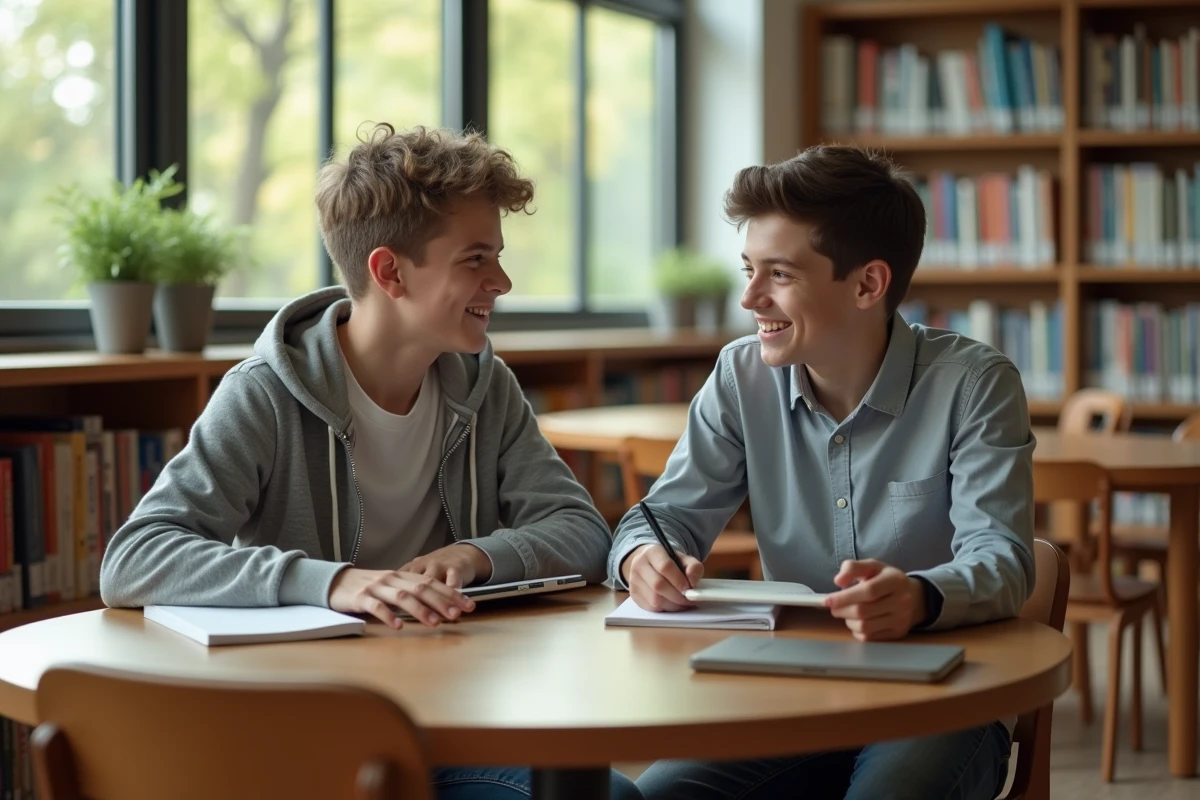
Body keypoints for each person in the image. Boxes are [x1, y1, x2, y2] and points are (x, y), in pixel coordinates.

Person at [101, 123, 642, 800]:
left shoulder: (484, 385)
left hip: (457, 714)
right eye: (475, 259)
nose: (501, 281)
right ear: (389, 272)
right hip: (310, 734)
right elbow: (136, 558)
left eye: (497, 256)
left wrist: (475, 555)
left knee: (609, 794)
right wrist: (335, 583)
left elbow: (583, 532)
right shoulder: (265, 393)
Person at [609, 145, 1035, 800]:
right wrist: (641, 554)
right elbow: (664, 519)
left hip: (946, 695)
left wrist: (920, 597)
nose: (750, 297)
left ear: (868, 285)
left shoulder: (974, 384)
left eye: (778, 274)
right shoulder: (740, 375)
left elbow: (1004, 558)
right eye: (749, 269)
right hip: (792, 692)